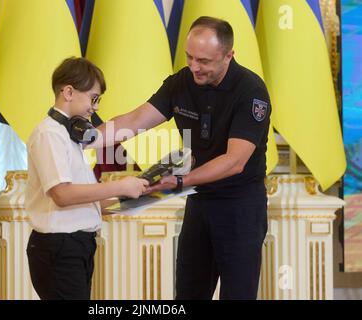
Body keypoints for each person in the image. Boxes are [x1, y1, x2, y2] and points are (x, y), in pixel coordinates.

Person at [89, 16, 271, 300]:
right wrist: (85, 141)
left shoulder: (251, 91)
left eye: (204, 61)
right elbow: (135, 120)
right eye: (189, 57)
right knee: (188, 292)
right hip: (199, 201)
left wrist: (180, 180)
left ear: (228, 55)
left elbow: (235, 161)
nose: (194, 67)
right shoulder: (181, 82)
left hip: (241, 207)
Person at [25, 57, 148, 300]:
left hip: (77, 244)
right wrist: (119, 185)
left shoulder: (70, 136)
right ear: (68, 92)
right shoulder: (49, 133)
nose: (96, 107)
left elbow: (83, 200)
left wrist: (132, 200)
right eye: (93, 98)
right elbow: (62, 194)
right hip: (59, 246)